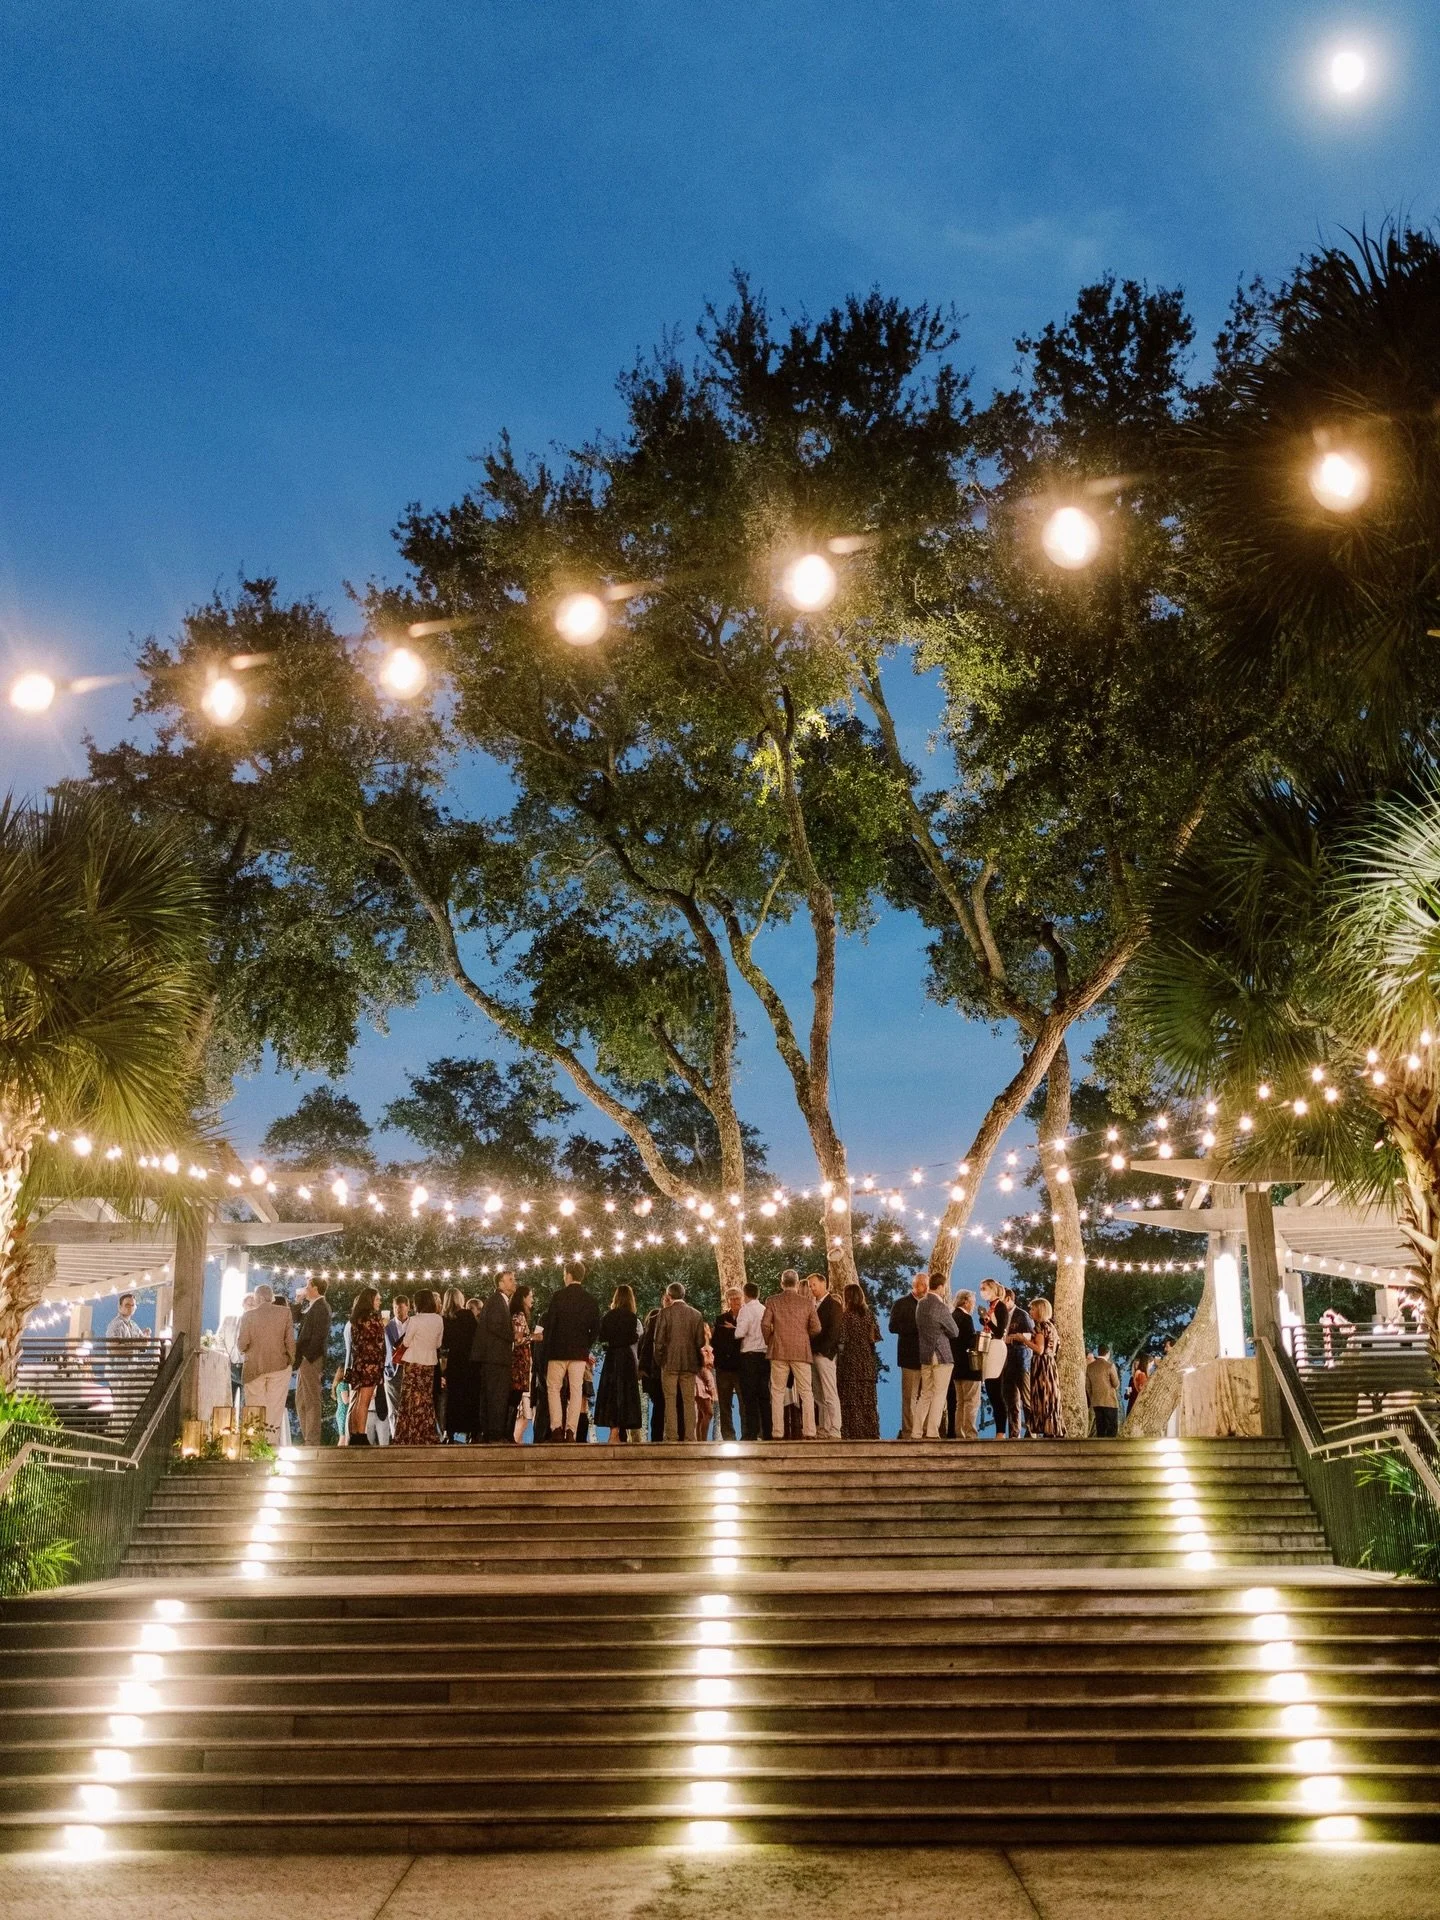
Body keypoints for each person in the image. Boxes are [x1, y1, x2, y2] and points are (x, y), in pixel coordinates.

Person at [761, 1270, 821, 1441]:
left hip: (778, 1350)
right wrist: (804, 1336)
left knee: (777, 1392)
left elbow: (765, 1325)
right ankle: (810, 1431)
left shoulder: (772, 1301)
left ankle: (777, 1432)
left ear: (782, 1283)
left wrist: (770, 1341)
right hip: (801, 1351)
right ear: (796, 1283)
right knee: (806, 1392)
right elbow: (817, 1327)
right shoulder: (807, 1302)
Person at [544, 1263, 600, 1442]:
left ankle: (556, 1428)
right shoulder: (589, 1299)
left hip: (557, 1351)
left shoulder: (558, 1297)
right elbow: (596, 1328)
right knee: (576, 1391)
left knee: (554, 1388)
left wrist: (548, 1347)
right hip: (578, 1353)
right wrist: (586, 1345)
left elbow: (550, 1325)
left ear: (568, 1275)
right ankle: (571, 1431)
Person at [236, 1282, 296, 1447]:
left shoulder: (248, 1316)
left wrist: (248, 1351)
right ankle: (270, 1442)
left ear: (259, 1297)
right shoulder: (285, 1313)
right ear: (271, 1297)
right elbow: (290, 1341)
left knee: (255, 1405)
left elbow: (241, 1344)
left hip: (254, 1368)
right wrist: (291, 1360)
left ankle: (255, 1442)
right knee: (275, 1406)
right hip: (280, 1366)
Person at [654, 1281, 707, 1443]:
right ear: (683, 1295)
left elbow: (659, 1341)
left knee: (670, 1400)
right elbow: (700, 1342)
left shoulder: (665, 1313)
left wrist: (660, 1360)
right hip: (689, 1363)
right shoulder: (696, 1314)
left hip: (669, 1362)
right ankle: (690, 1437)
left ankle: (672, 1436)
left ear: (669, 1296)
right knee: (689, 1401)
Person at [391, 1288, 444, 1445]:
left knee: (409, 1400)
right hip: (430, 1363)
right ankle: (425, 1432)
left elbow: (406, 1342)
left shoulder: (415, 1320)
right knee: (425, 1399)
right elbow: (439, 1343)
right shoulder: (438, 1320)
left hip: (414, 1364)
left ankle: (408, 1433)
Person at [912, 1273, 959, 1440]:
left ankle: (916, 1431)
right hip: (940, 1354)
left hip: (924, 1353)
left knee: (925, 1394)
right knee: (939, 1393)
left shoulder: (920, 1304)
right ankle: (932, 1431)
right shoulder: (940, 1306)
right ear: (940, 1286)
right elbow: (954, 1331)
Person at [594, 1284, 642, 1441]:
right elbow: (635, 1338)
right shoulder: (632, 1317)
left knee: (612, 1393)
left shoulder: (609, 1316)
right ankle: (621, 1431)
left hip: (612, 1356)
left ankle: (613, 1431)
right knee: (625, 1393)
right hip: (626, 1358)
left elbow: (602, 1337)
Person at [475, 1271, 517, 1443]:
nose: (514, 1283)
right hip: (496, 1357)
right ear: (500, 1283)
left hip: (495, 1357)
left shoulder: (500, 1302)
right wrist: (514, 1335)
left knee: (494, 1394)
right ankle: (494, 1432)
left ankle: (492, 1431)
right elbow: (495, 1326)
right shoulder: (497, 1301)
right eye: (510, 1280)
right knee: (496, 1395)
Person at [837, 1280, 880, 1439]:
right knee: (867, 1399)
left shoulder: (846, 1316)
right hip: (867, 1362)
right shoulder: (870, 1315)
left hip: (850, 1362)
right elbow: (874, 1337)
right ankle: (870, 1431)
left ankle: (853, 1432)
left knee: (851, 1398)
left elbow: (842, 1340)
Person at [343, 1287, 386, 1445]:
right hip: (370, 1364)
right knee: (364, 1401)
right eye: (377, 1299)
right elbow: (377, 1341)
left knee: (357, 1399)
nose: (379, 1302)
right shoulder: (372, 1318)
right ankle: (360, 1434)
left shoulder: (355, 1319)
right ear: (370, 1300)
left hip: (359, 1363)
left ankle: (354, 1432)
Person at [889, 1273, 929, 1439]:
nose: (925, 1289)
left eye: (926, 1285)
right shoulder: (901, 1304)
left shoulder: (929, 1304)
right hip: (909, 1356)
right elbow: (893, 1327)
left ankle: (925, 1429)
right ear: (915, 1285)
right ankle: (909, 1430)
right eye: (922, 1285)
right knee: (909, 1397)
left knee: (926, 1395)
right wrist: (915, 1327)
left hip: (927, 1357)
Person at [293, 1276, 332, 1447]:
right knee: (301, 1400)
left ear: (315, 1289)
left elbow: (319, 1335)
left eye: (308, 1286)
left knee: (311, 1399)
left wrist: (307, 1356)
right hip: (305, 1359)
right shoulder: (312, 1306)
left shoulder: (322, 1307)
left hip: (311, 1358)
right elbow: (295, 1318)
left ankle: (313, 1440)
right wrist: (298, 1301)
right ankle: (307, 1436)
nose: (305, 1288)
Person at [1020, 1297, 1065, 1438]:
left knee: (1042, 1394)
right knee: (1051, 1395)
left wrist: (1024, 1340)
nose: (1030, 1311)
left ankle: (1045, 1426)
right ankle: (1053, 1426)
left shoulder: (1040, 1327)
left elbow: (1039, 1349)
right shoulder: (1051, 1327)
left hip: (1041, 1365)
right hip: (1050, 1363)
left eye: (1032, 1309)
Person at [808, 1273, 844, 1441]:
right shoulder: (812, 1305)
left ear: (823, 1284)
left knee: (830, 1393)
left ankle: (835, 1428)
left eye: (814, 1284)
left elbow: (834, 1332)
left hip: (825, 1354)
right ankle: (823, 1427)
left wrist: (824, 1350)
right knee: (818, 1394)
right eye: (810, 1285)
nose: (811, 1288)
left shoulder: (833, 1305)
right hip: (812, 1353)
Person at [441, 1286, 478, 1442]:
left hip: (454, 1361)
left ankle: (450, 1431)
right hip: (469, 1361)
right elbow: (476, 1336)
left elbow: (444, 1343)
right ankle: (471, 1432)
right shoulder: (468, 1315)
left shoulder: (445, 1319)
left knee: (453, 1398)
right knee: (470, 1396)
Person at [735, 1280, 770, 1441]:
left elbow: (740, 1333)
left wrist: (734, 1329)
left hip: (749, 1355)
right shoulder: (764, 1309)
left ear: (745, 1295)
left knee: (749, 1396)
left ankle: (752, 1431)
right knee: (764, 1395)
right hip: (764, 1355)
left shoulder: (745, 1310)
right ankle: (768, 1431)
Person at [947, 1289, 983, 1441]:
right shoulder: (966, 1318)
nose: (973, 1306)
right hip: (969, 1366)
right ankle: (970, 1433)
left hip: (956, 1366)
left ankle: (959, 1432)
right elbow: (969, 1341)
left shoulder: (952, 1316)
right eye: (972, 1302)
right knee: (971, 1402)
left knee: (960, 1402)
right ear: (966, 1302)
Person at [1000, 1288, 1034, 1439]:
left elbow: (1029, 1336)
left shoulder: (1022, 1315)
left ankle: (1032, 1430)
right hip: (1006, 1362)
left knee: (1026, 1399)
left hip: (1021, 1361)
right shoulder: (1001, 1316)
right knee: (1011, 1400)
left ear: (1008, 1299)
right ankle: (1014, 1433)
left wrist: (1012, 1337)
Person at [979, 1278, 1011, 1436]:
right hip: (988, 1347)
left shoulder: (1001, 1307)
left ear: (992, 1289)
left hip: (997, 1347)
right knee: (990, 1387)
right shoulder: (991, 1307)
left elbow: (1000, 1331)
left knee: (995, 1387)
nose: (982, 1291)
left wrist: (987, 1322)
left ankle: (1000, 1431)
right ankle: (999, 1430)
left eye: (984, 1288)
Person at [711, 1290, 743, 1441]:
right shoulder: (721, 1319)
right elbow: (715, 1342)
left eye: (738, 1298)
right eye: (733, 1299)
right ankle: (729, 1436)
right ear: (728, 1301)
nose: (736, 1301)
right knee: (724, 1404)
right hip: (724, 1367)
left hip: (741, 1366)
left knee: (744, 1403)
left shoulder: (746, 1317)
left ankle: (747, 1434)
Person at [380, 1294, 411, 1444]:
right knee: (393, 1407)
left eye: (400, 1308)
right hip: (392, 1370)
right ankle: (396, 1437)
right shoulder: (387, 1325)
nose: (398, 1311)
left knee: (409, 1405)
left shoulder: (413, 1324)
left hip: (410, 1367)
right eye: (395, 1308)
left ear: (408, 1308)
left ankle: (409, 1435)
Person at [508, 1282, 534, 1441]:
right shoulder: (519, 1315)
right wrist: (534, 1337)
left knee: (515, 1396)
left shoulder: (516, 1314)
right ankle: (508, 1432)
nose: (533, 1300)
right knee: (514, 1396)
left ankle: (508, 1432)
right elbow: (518, 1339)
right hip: (519, 1361)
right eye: (531, 1296)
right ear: (523, 1298)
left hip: (519, 1361)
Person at [1087, 1343, 1121, 1437]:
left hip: (1096, 1401)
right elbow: (1116, 1383)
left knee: (1100, 1428)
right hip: (1109, 1401)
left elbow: (1088, 1387)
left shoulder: (1090, 1367)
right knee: (1112, 1427)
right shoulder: (1110, 1366)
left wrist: (1092, 1397)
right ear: (1108, 1353)